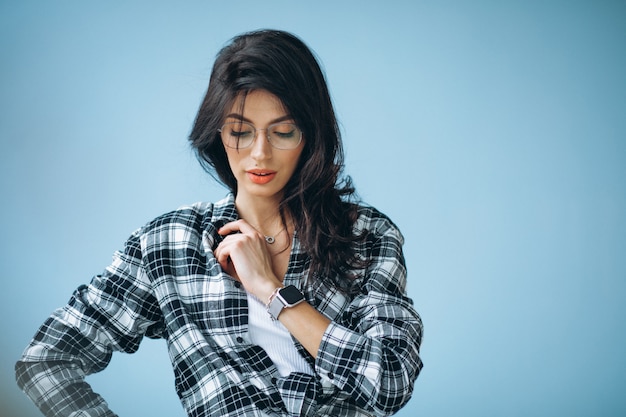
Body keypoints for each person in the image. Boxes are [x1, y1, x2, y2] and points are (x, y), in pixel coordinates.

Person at [16, 29, 423, 417]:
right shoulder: (171, 244)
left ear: (311, 137)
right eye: (241, 132)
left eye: (283, 132)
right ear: (217, 134)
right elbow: (47, 359)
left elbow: (390, 381)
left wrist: (272, 291)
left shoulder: (365, 237)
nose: (259, 154)